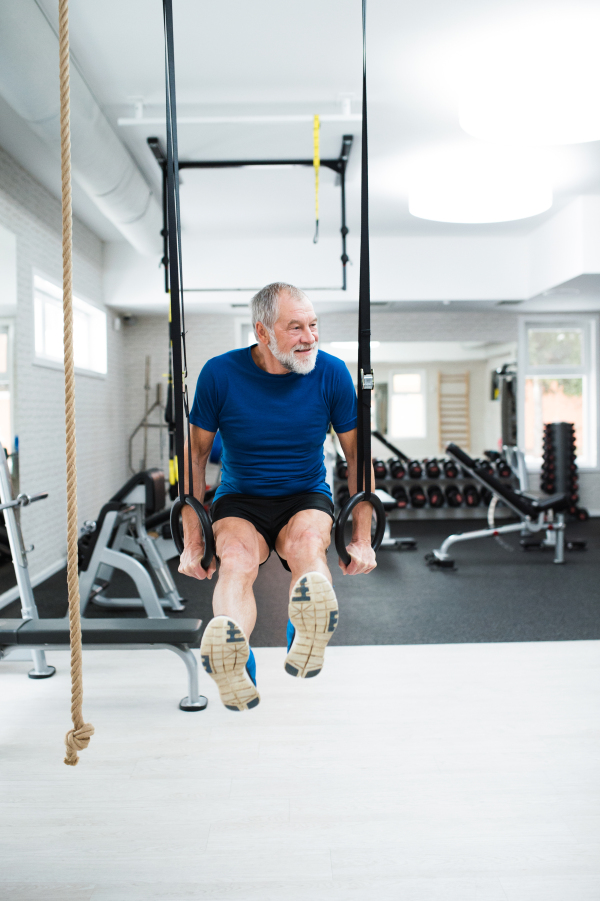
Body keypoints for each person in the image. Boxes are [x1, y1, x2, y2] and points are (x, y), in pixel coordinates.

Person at [179, 282, 377, 710]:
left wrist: (361, 536)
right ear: (263, 332)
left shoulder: (331, 372)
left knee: (307, 545)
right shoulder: (220, 373)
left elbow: (359, 455)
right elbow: (194, 457)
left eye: (313, 325)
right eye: (295, 328)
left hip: (305, 494)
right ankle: (235, 660)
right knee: (234, 558)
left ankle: (306, 634)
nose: (309, 337)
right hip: (240, 497)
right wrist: (194, 540)